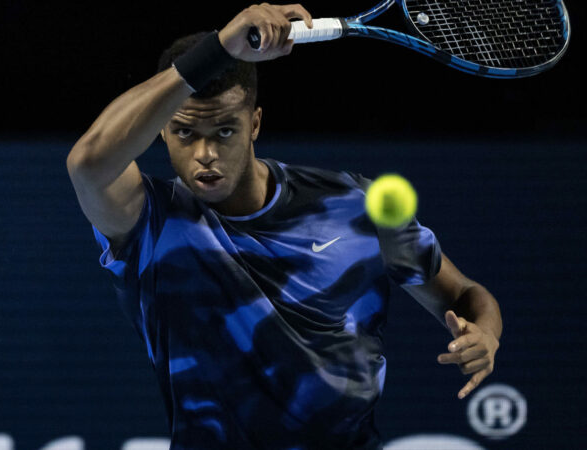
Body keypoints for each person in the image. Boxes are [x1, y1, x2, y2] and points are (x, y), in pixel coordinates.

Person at [66, 3, 502, 449]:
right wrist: (219, 46)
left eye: (224, 132)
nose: (204, 154)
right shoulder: (150, 222)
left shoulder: (356, 205)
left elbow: (465, 294)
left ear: (254, 124)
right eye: (184, 133)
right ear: (160, 130)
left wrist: (485, 332)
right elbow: (88, 163)